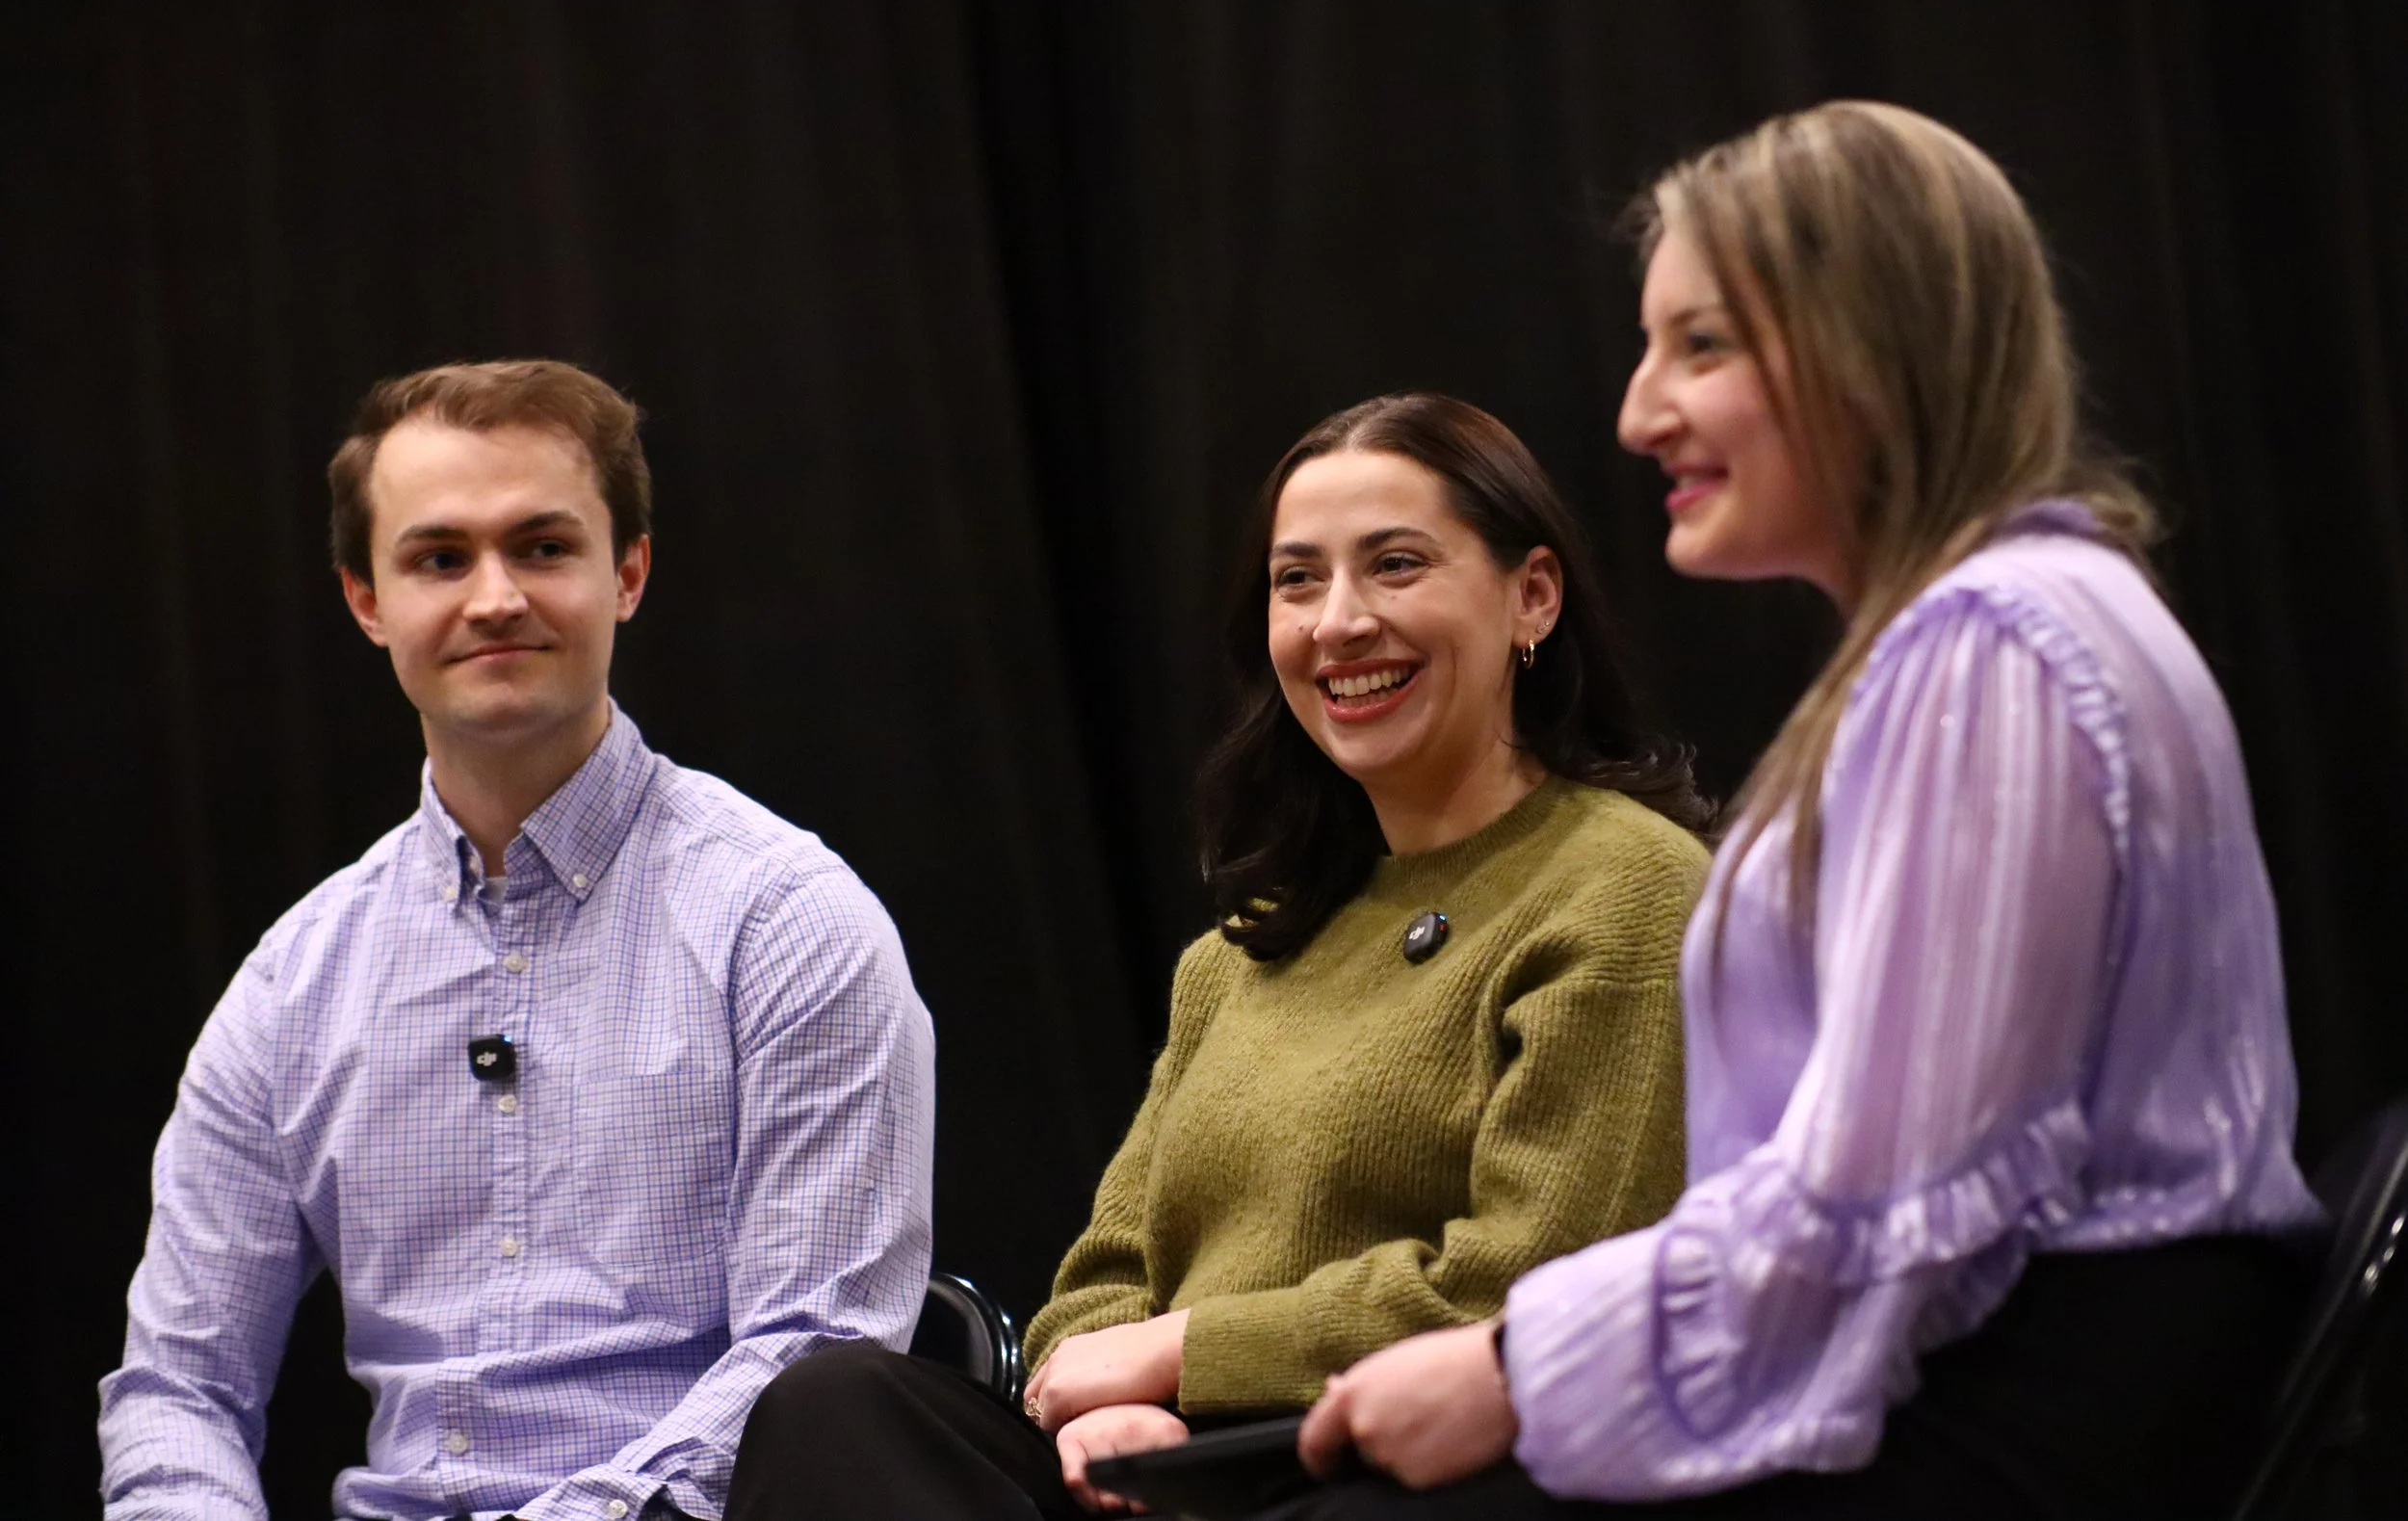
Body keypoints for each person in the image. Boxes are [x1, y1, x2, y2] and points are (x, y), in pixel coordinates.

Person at [1274, 101, 2328, 1520]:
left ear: (1872, 345)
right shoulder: (2002, 625)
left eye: (1702, 345)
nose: (1641, 412)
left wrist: (1520, 1361)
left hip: (2034, 1406)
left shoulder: (1994, 646)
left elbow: (1882, 1204)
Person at [723, 393, 1714, 1519]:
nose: (1338, 622)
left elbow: (1529, 1291)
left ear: (1532, 594)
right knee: (836, 1402)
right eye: (1298, 580)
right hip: (1157, 1467)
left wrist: (1184, 1353)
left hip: (1402, 1464)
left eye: (1394, 565)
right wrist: (1103, 1400)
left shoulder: (1625, 886)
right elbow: (1103, 1273)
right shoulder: (1250, 942)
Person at [97, 360, 936, 1521]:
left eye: (542, 546)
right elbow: (178, 1386)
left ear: (627, 572)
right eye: (440, 557)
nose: (494, 596)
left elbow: (816, 1351)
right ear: (365, 599)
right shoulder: (294, 985)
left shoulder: (784, 920)